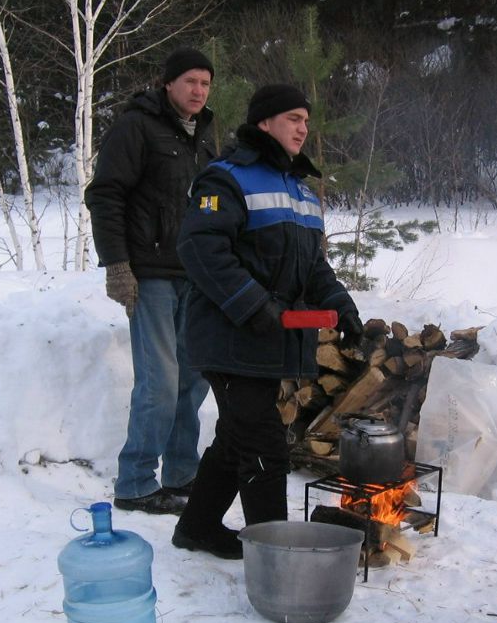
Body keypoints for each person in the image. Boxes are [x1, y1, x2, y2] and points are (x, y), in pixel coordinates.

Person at [170, 84, 364, 559]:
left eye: (306, 120)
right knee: (264, 446)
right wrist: (254, 306)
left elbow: (313, 268)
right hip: (228, 337)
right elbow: (200, 248)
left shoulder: (300, 190)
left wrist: (342, 306)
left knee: (237, 436)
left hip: (265, 341)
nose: (303, 128)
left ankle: (196, 528)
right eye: (293, 118)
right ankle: (276, 560)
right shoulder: (226, 179)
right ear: (264, 123)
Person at [84, 47, 216, 515]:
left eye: (205, 83)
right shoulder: (136, 126)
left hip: (195, 273)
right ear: (168, 84)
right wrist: (117, 264)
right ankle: (136, 482)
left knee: (192, 381)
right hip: (151, 273)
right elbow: (105, 195)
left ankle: (181, 474)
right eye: (190, 82)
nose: (198, 91)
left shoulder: (205, 133)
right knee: (160, 382)